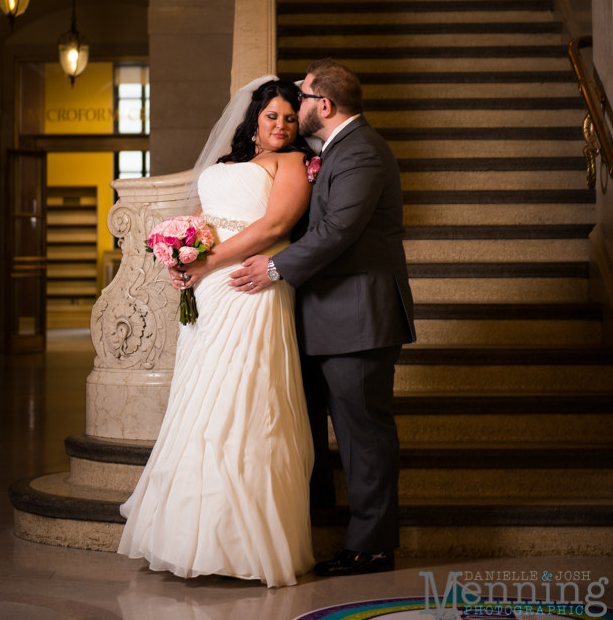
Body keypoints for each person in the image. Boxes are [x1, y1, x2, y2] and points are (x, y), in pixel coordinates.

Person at [117, 77, 316, 588]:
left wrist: (205, 263)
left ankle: (243, 546)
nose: (281, 126)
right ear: (255, 117)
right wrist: (181, 253)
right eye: (273, 116)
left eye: (291, 119)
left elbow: (274, 228)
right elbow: (209, 219)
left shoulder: (292, 164)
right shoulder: (229, 163)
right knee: (198, 399)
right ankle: (185, 535)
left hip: (251, 288)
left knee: (245, 397)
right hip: (208, 293)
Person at [230, 58, 416, 577]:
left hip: (359, 319)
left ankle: (373, 546)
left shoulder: (362, 152)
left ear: (325, 106)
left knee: (364, 436)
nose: (295, 107)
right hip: (328, 318)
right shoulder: (333, 150)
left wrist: (272, 267)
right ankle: (312, 525)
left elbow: (337, 231)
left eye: (303, 98)